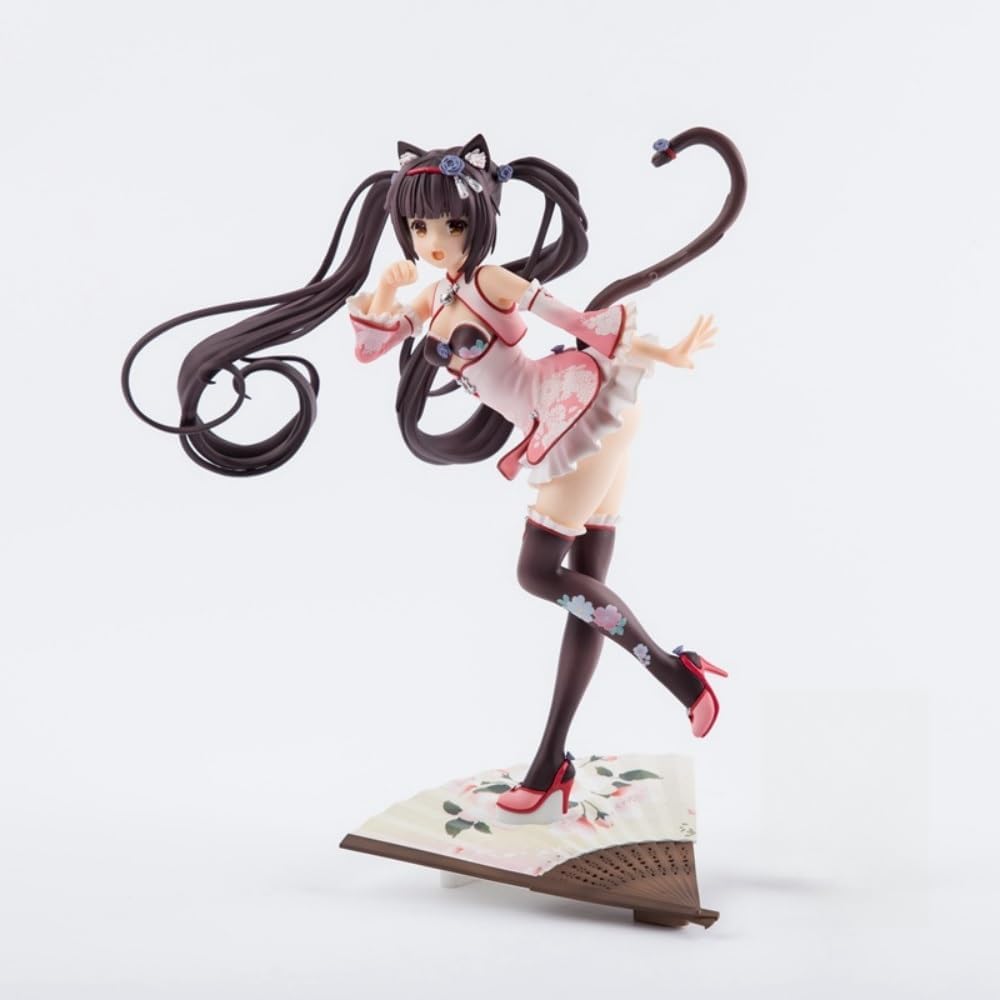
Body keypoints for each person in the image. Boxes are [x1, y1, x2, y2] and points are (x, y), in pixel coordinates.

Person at [122, 129, 747, 823]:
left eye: (451, 225)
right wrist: (383, 293)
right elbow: (369, 349)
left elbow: (577, 322)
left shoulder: (487, 281)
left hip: (573, 413)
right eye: (420, 228)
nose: (436, 241)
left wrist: (662, 351)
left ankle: (678, 676)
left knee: (539, 573)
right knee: (584, 594)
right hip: (581, 421)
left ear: (479, 217)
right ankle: (551, 765)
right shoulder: (435, 295)